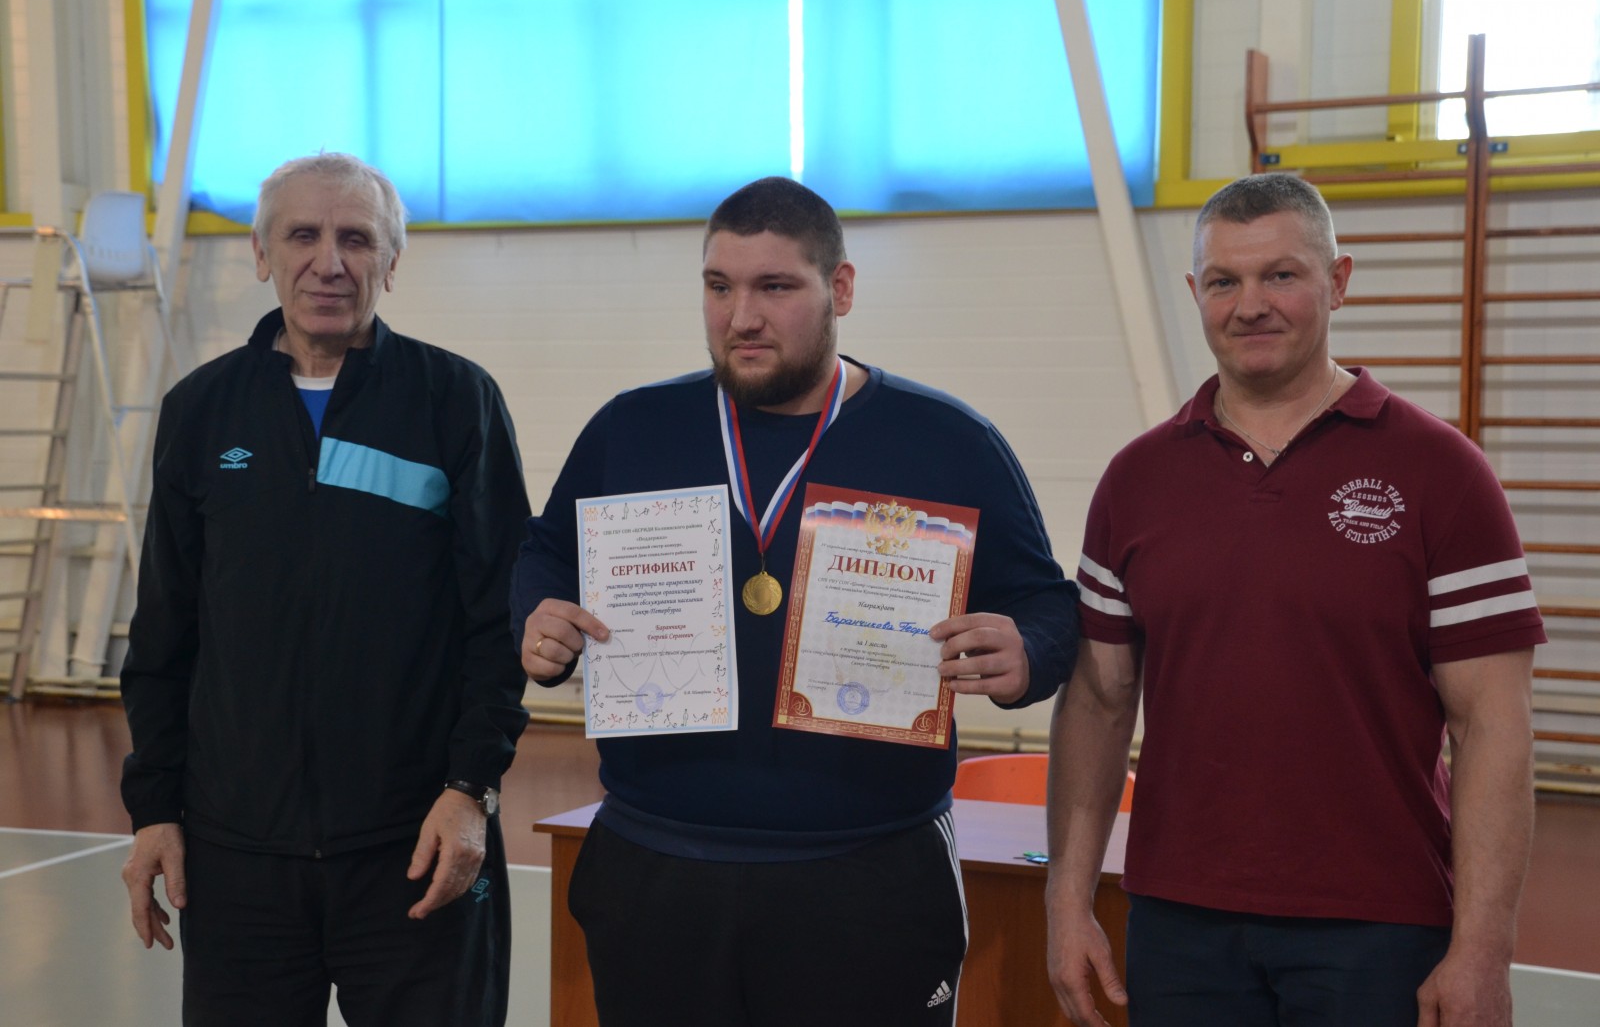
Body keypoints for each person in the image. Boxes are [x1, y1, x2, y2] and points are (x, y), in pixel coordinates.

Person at [512, 176, 1078, 1026]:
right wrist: (539, 616)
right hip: (656, 865)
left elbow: (1047, 602)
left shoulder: (947, 440)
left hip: (867, 876)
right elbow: (546, 553)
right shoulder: (633, 429)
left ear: (840, 288)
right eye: (719, 287)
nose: (741, 316)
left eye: (774, 287)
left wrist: (1026, 652)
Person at [1045, 173, 1546, 1027]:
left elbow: (1493, 724)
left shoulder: (1443, 473)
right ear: (1195, 294)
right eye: (1224, 281)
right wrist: (1067, 898)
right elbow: (1097, 701)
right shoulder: (1136, 480)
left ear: (1338, 281)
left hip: (1381, 923)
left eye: (1281, 275)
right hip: (1178, 922)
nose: (1250, 306)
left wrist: (1483, 948)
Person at [119, 152, 531, 1027]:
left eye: (357, 239)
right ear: (261, 254)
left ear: (392, 260)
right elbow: (164, 633)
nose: (329, 262)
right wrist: (154, 809)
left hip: (416, 847)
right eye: (302, 235)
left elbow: (499, 621)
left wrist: (470, 790)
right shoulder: (201, 410)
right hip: (239, 861)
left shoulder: (456, 401)